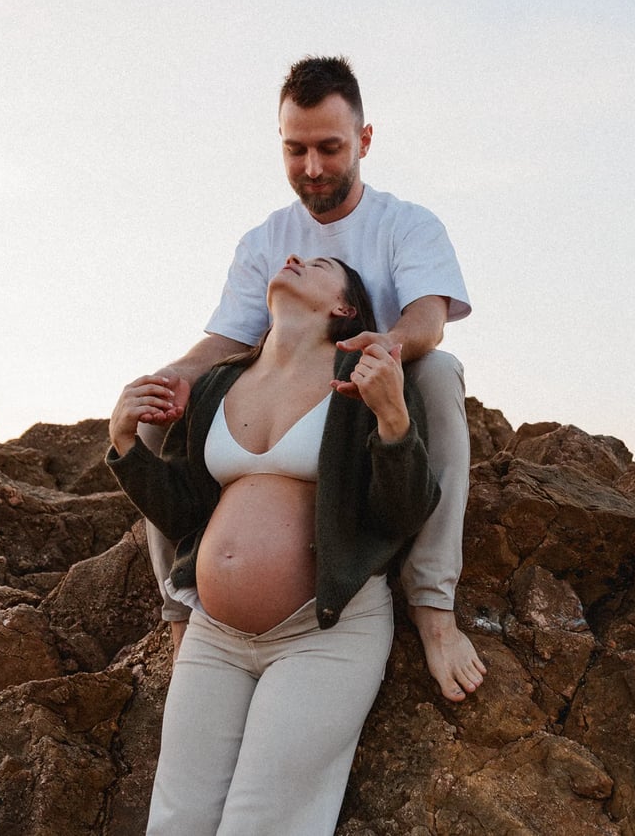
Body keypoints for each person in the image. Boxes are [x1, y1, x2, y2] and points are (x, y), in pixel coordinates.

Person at [138, 55, 486, 702]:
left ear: (364, 140)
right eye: (296, 150)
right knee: (158, 406)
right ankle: (182, 612)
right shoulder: (267, 239)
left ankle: (433, 608)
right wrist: (171, 375)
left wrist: (381, 349)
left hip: (378, 395)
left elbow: (429, 319)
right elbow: (230, 338)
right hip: (282, 398)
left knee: (440, 372)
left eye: (330, 147)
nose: (313, 167)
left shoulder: (407, 223)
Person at [107, 254, 439, 835]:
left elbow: (402, 514)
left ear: (344, 307)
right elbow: (186, 513)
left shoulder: (367, 376)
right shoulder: (219, 382)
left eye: (318, 263)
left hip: (324, 635)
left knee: (263, 824)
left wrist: (393, 420)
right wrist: (126, 444)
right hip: (214, 636)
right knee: (176, 822)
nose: (293, 259)